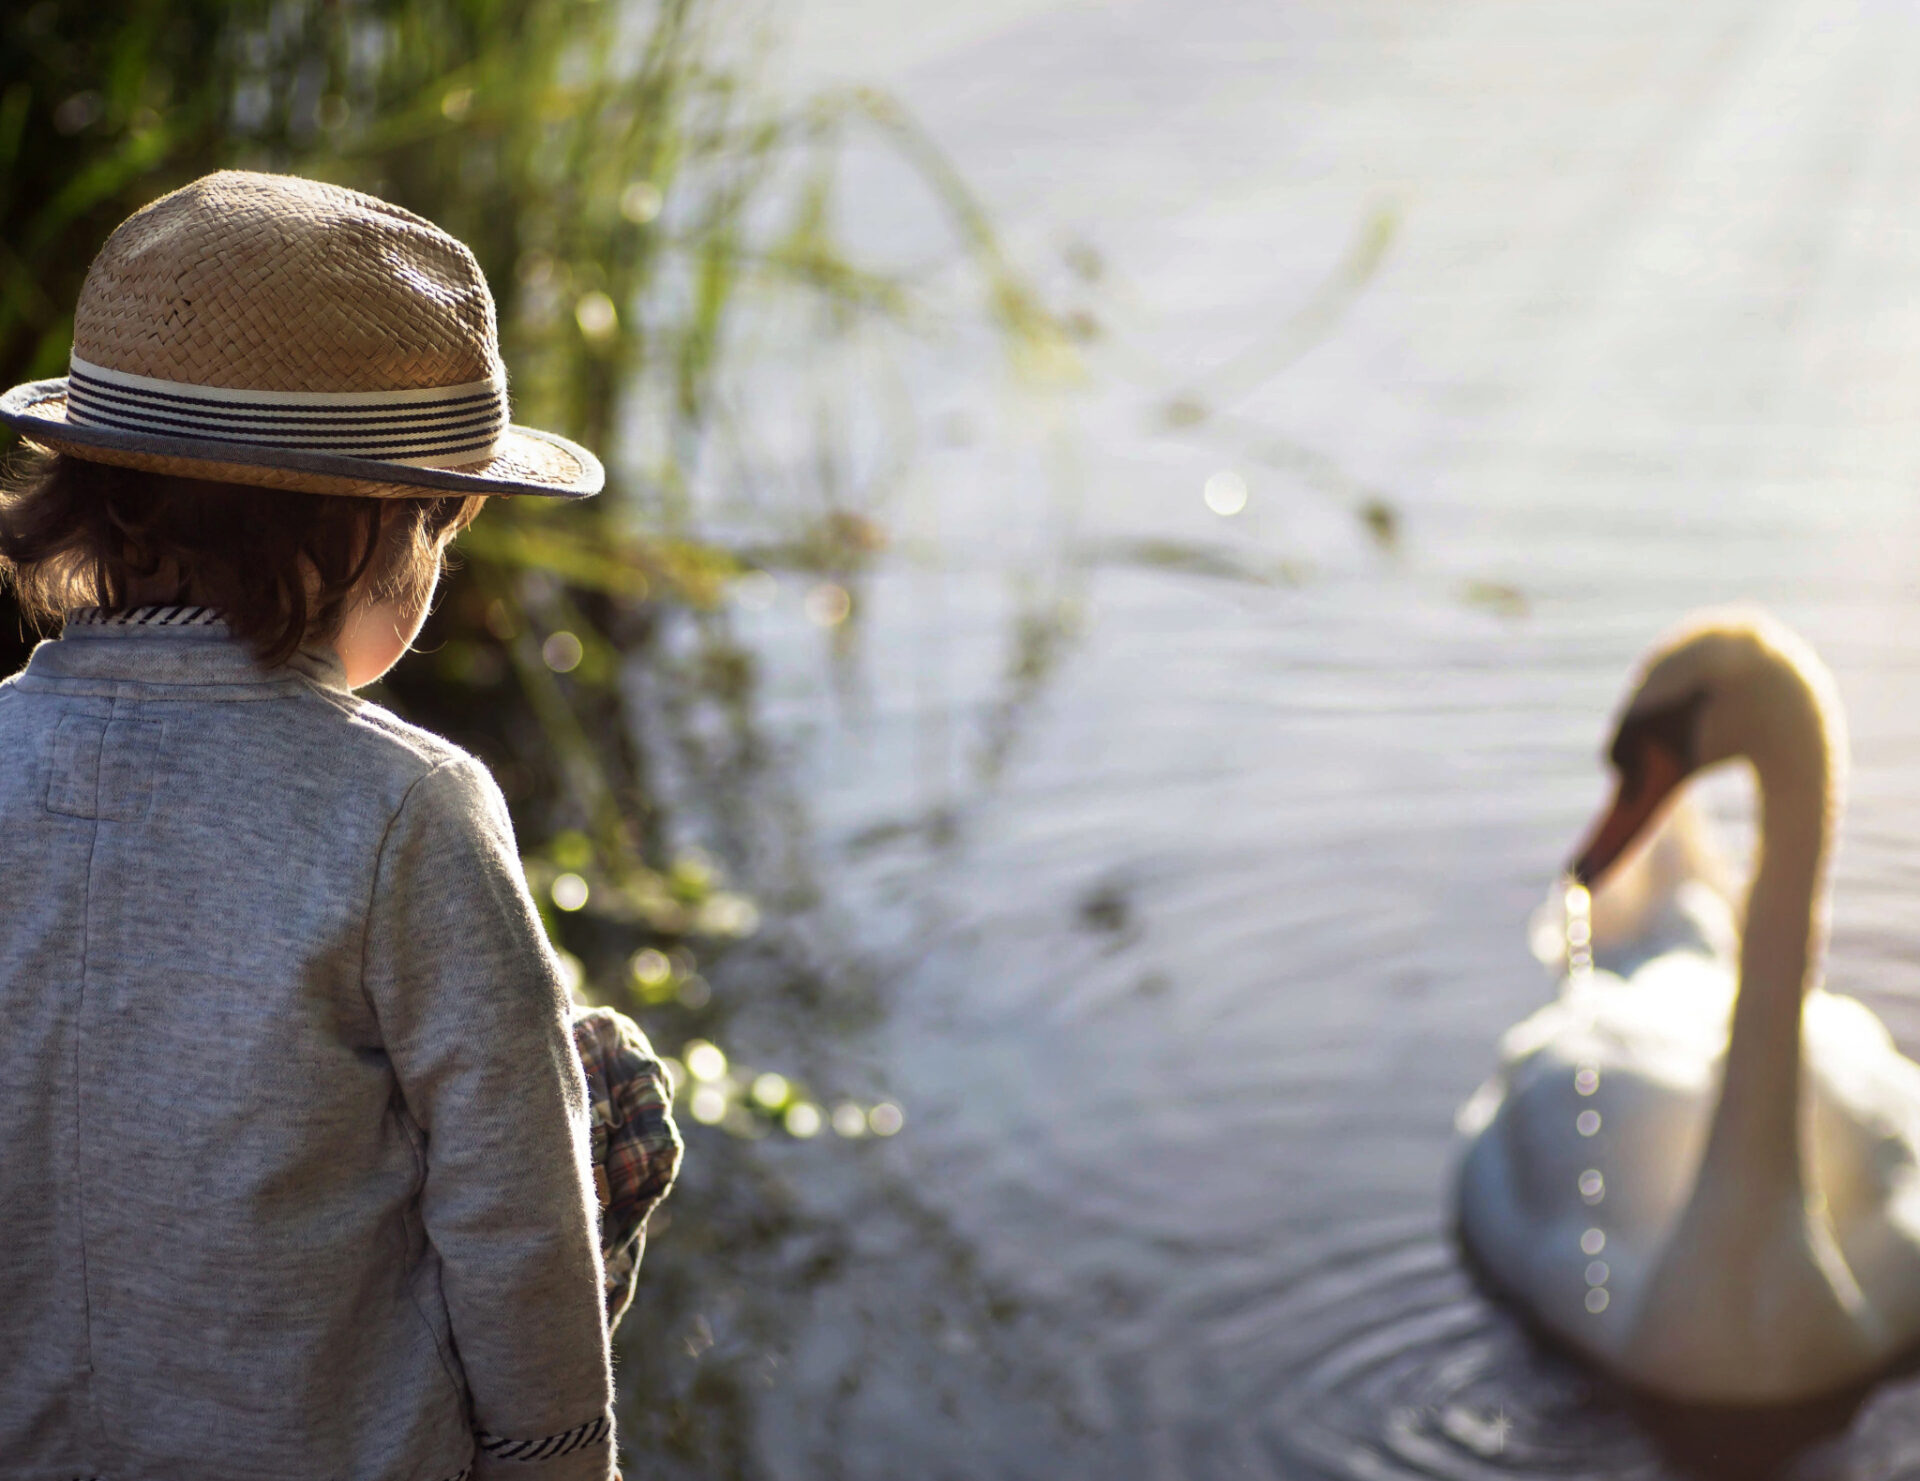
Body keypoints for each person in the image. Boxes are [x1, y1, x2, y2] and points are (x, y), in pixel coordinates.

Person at [0, 171, 680, 1481]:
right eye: (444, 537)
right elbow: (519, 1222)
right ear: (375, 533)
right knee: (610, 1086)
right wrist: (558, 1463)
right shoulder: (409, 807)